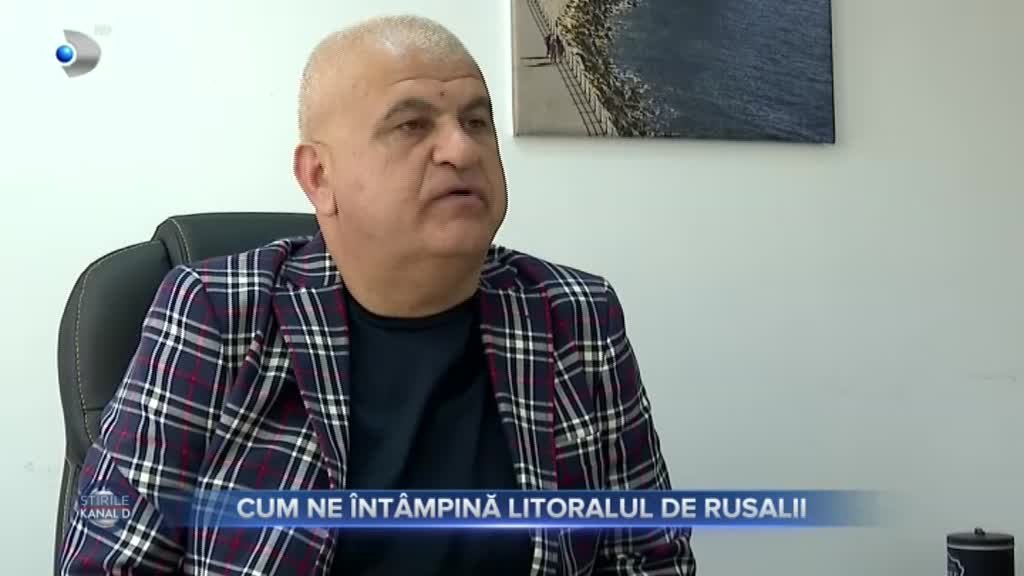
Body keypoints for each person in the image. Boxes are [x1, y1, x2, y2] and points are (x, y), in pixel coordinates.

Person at [58, 14, 695, 576]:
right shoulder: (219, 311)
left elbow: (649, 555)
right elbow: (110, 559)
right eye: (412, 124)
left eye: (477, 121)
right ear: (319, 177)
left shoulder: (575, 315)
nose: (461, 148)